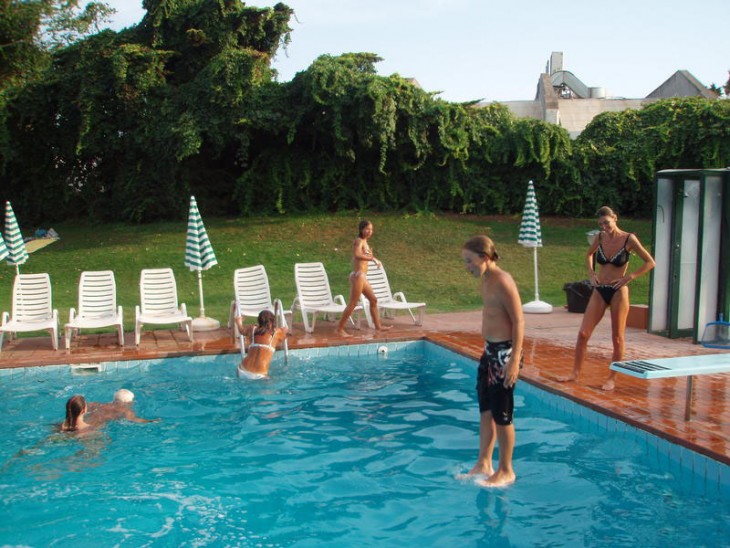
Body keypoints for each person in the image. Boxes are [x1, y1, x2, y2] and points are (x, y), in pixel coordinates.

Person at [558, 206, 655, 391]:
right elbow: (588, 254)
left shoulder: (629, 239)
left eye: (607, 222)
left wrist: (630, 277)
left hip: (618, 291)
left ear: (615, 218)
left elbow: (650, 262)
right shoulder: (600, 237)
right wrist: (591, 273)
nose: (604, 227)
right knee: (583, 334)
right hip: (600, 290)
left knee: (617, 338)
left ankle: (612, 378)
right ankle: (575, 373)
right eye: (601, 224)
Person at [461, 235, 524, 487]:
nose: (467, 266)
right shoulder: (486, 279)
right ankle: (484, 462)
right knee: (486, 410)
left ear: (484, 258)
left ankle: (506, 470)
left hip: (505, 354)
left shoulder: (502, 281)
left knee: (502, 414)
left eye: (469, 261)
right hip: (489, 352)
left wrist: (514, 360)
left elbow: (519, 321)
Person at [336, 220, 392, 337]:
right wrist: (371, 258)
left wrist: (374, 258)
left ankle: (379, 326)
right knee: (353, 303)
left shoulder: (364, 242)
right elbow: (357, 255)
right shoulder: (358, 241)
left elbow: (364, 255)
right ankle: (339, 329)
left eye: (371, 229)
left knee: (373, 300)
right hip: (358, 276)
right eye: (367, 229)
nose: (369, 231)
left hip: (362, 276)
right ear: (361, 229)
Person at [235, 309, 288, 379]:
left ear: (259, 320)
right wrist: (284, 330)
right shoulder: (277, 332)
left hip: (242, 369)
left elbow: (241, 330)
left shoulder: (252, 329)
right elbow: (283, 338)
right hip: (259, 375)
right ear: (272, 321)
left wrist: (238, 321)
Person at [85, 389, 159, 425]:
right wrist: (150, 421)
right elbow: (134, 419)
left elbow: (85, 405)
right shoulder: (126, 411)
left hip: (84, 421)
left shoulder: (99, 405)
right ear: (128, 403)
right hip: (95, 427)